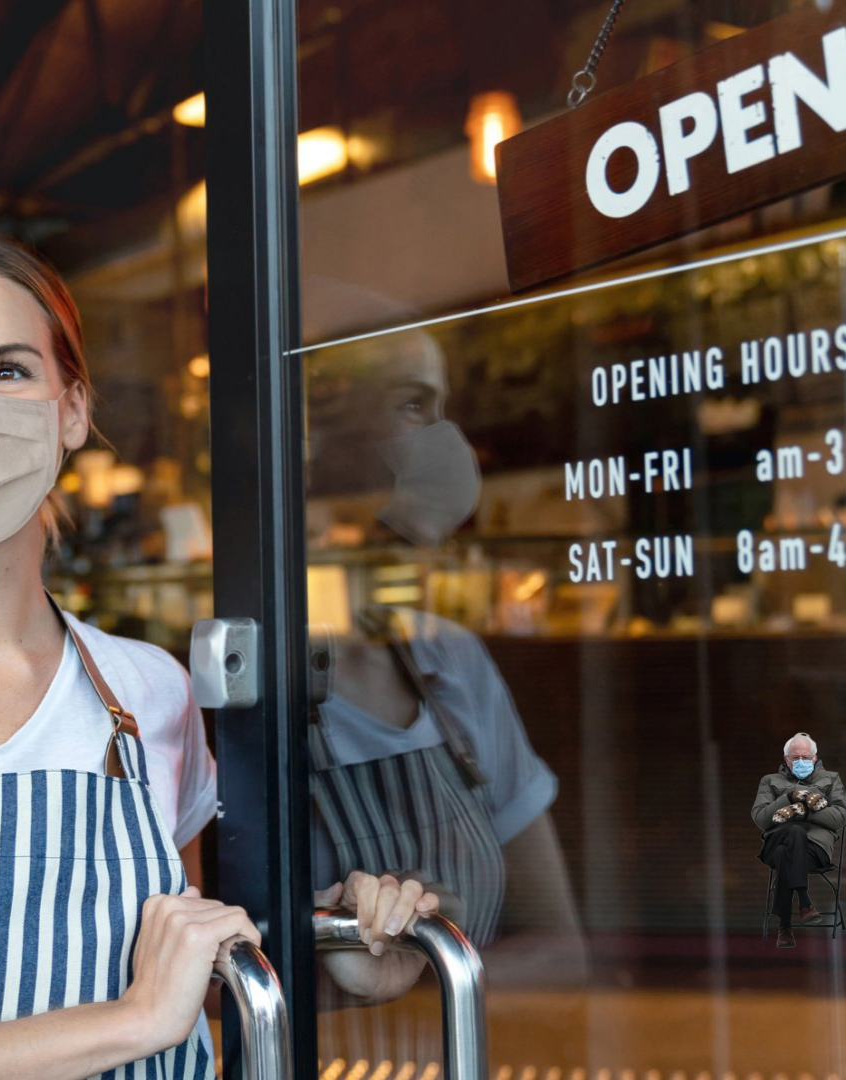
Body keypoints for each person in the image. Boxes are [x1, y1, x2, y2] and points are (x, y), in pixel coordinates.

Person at [0, 231, 439, 1078]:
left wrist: (342, 950)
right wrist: (126, 1024)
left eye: (7, 369)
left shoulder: (147, 690)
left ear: (73, 410)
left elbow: (184, 977)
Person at [304, 308, 586, 1067]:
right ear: (320, 437)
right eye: (411, 405)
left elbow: (563, 951)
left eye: (440, 408)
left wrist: (433, 953)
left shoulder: (449, 659)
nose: (444, 441)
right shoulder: (238, 689)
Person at [752, 731, 846, 948]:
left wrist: (801, 812)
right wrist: (789, 797)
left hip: (814, 851)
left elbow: (840, 817)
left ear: (814, 758)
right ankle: (805, 903)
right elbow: (762, 818)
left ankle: (785, 927)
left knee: (786, 851)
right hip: (776, 840)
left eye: (805, 757)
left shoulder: (831, 779)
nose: (801, 761)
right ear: (786, 759)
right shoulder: (770, 781)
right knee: (793, 833)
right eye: (795, 758)